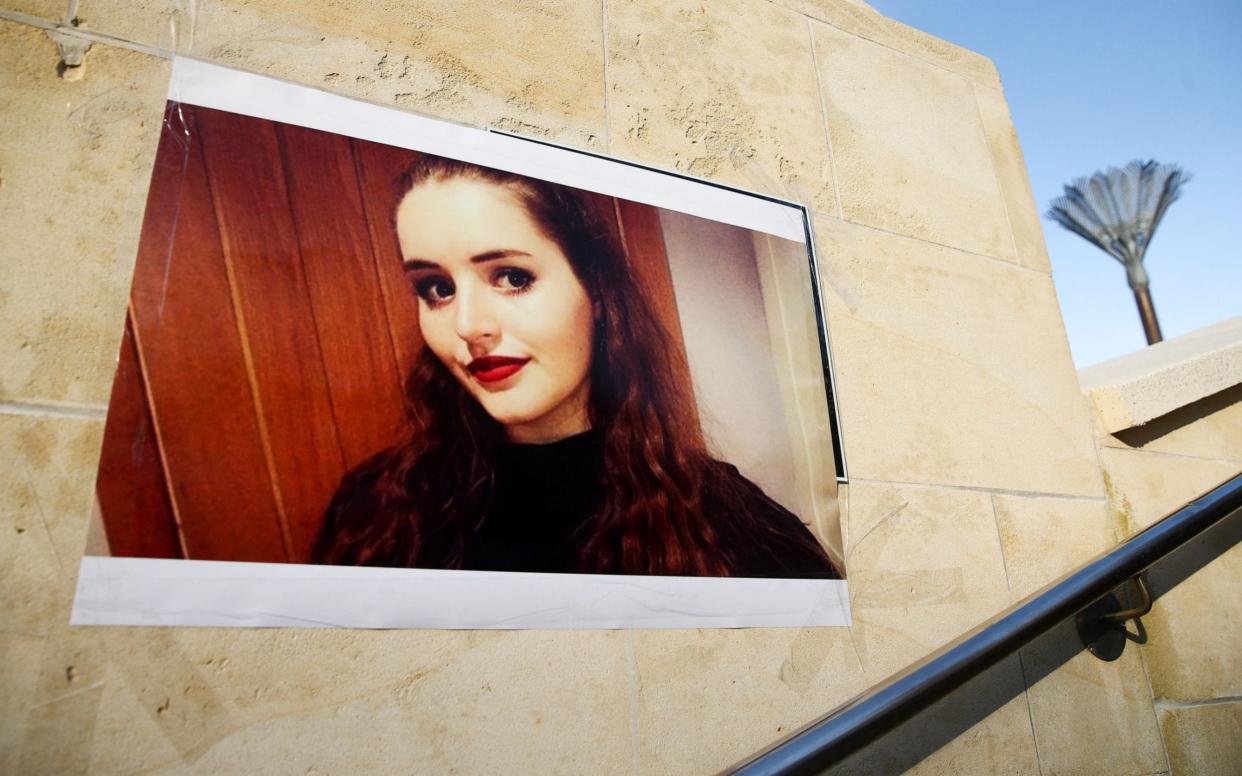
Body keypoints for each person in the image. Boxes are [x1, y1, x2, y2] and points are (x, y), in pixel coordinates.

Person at [312, 154, 842, 579]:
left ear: (596, 294)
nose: (470, 326)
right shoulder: (376, 511)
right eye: (437, 289)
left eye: (512, 277)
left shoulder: (722, 521)